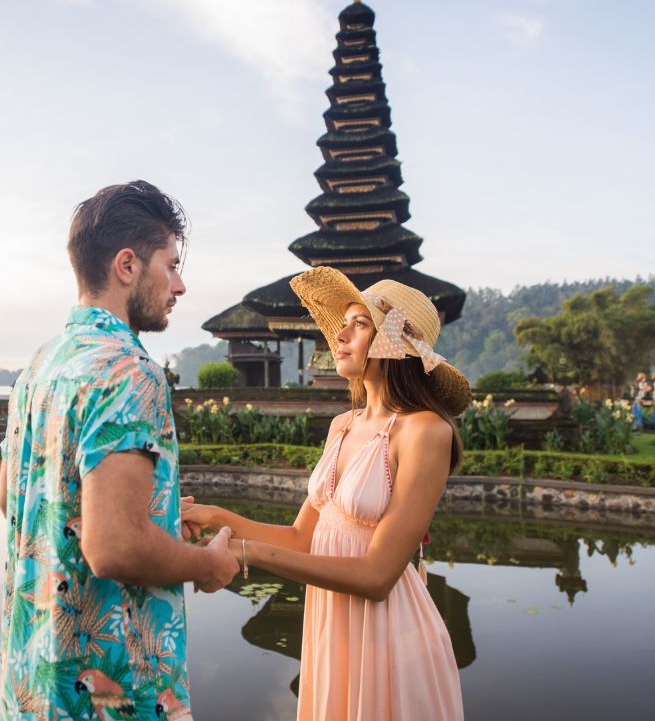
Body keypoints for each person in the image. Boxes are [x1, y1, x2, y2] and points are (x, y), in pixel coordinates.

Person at [0, 181, 239, 720]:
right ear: (127, 266)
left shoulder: (39, 368)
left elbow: (12, 499)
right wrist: (207, 564)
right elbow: (114, 549)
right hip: (115, 698)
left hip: (34, 687)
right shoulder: (130, 372)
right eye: (170, 265)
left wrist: (157, 520)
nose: (179, 286)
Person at [183, 266, 467, 720]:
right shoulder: (342, 425)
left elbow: (377, 577)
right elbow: (301, 538)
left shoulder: (424, 431)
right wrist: (218, 516)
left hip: (390, 633)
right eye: (343, 324)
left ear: (396, 343)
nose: (339, 335)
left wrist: (244, 552)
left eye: (360, 325)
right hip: (331, 627)